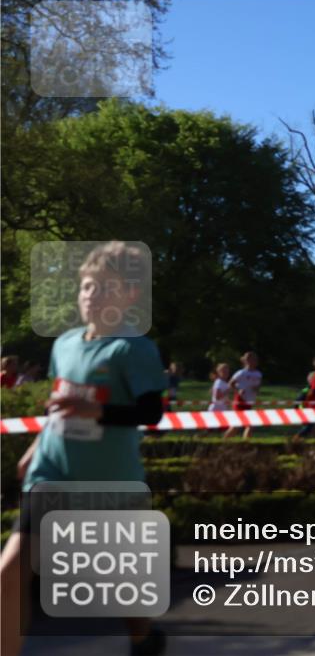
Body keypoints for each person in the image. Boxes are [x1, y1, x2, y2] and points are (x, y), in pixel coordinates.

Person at [1, 241, 167, 656]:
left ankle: (145, 638)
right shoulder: (65, 344)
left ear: (130, 295)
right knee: (9, 572)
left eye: (105, 287)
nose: (92, 296)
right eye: (88, 286)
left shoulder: (135, 348)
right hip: (51, 472)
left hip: (109, 481)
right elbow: (62, 407)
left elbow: (151, 413)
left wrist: (96, 410)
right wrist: (35, 448)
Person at [223, 351, 261, 440]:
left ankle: (245, 443)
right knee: (239, 425)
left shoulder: (258, 374)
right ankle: (224, 441)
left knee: (249, 425)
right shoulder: (241, 373)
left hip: (249, 401)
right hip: (240, 400)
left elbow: (258, 387)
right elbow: (230, 384)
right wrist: (238, 390)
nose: (254, 362)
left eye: (255, 359)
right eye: (251, 359)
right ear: (246, 361)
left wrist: (256, 389)